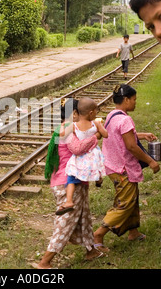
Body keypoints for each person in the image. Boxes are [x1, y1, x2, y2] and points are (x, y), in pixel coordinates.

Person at [93, 84, 160, 253]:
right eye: (134, 100)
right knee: (124, 204)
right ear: (126, 99)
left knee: (132, 199)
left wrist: (142, 135)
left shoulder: (111, 115)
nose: (135, 103)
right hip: (122, 168)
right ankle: (98, 235)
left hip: (112, 165)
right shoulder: (125, 119)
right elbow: (131, 146)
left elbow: (121, 135)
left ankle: (133, 231)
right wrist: (151, 161)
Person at [38, 98, 104, 269]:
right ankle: (45, 261)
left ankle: (91, 251)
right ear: (74, 113)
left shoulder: (69, 127)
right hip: (66, 183)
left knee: (83, 216)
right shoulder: (66, 129)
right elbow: (78, 149)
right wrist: (97, 135)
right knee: (65, 222)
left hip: (73, 180)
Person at [56, 98, 108, 215]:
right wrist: (98, 131)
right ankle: (99, 180)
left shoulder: (74, 126)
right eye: (96, 111)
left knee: (71, 177)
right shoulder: (96, 123)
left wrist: (64, 125)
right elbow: (106, 134)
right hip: (93, 155)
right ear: (91, 113)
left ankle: (69, 201)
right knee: (98, 167)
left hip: (81, 158)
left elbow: (61, 134)